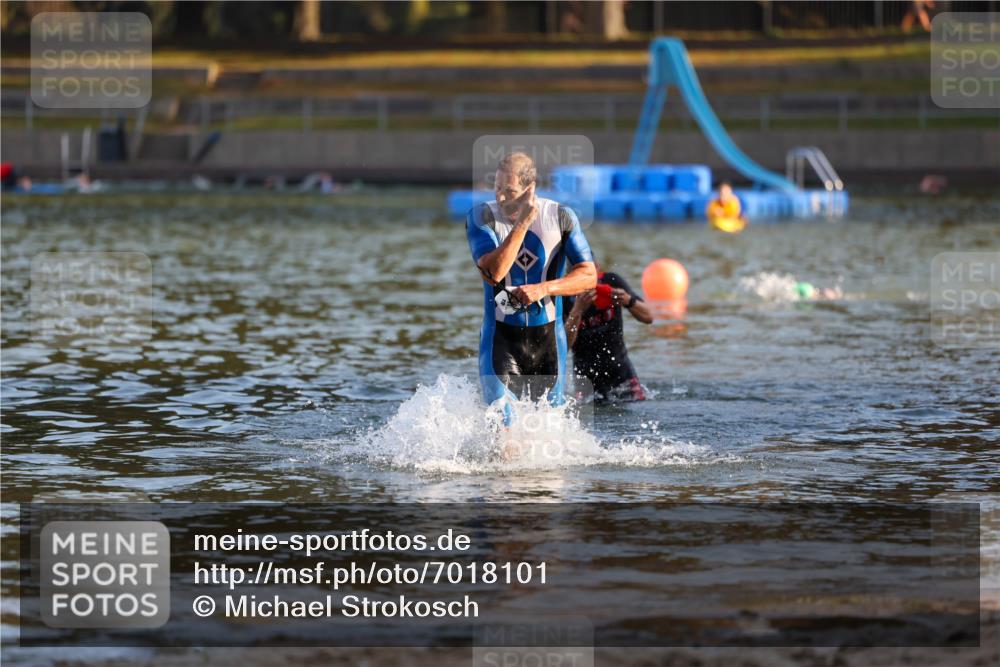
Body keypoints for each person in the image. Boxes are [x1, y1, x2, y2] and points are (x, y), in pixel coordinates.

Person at [466, 152, 597, 426]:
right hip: (500, 340)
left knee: (548, 433)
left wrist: (543, 289)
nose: (501, 197)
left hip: (548, 342)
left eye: (510, 191)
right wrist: (523, 223)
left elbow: (588, 276)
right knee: (503, 426)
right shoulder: (482, 217)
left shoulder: (561, 217)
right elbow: (494, 273)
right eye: (497, 188)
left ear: (530, 189)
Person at [565, 268, 653, 403]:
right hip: (586, 380)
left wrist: (628, 300)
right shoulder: (564, 294)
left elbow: (649, 317)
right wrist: (577, 309)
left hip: (621, 372)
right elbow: (565, 346)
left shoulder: (611, 281)